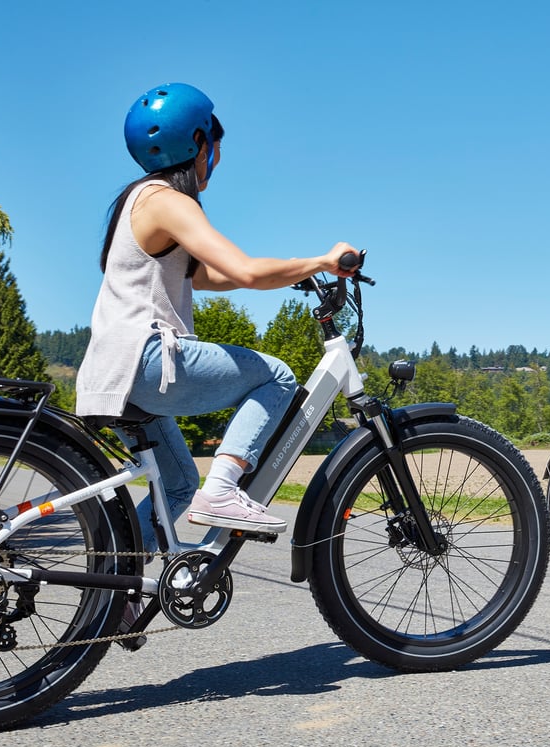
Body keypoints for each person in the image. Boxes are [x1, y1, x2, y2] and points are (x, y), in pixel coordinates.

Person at [76, 82, 359, 549]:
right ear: (199, 142)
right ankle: (225, 488)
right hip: (145, 362)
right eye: (216, 144)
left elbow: (206, 276)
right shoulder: (166, 199)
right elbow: (244, 270)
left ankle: (114, 594)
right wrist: (323, 261)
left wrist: (291, 274)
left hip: (112, 373)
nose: (219, 158)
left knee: (177, 486)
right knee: (278, 377)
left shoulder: (136, 201)